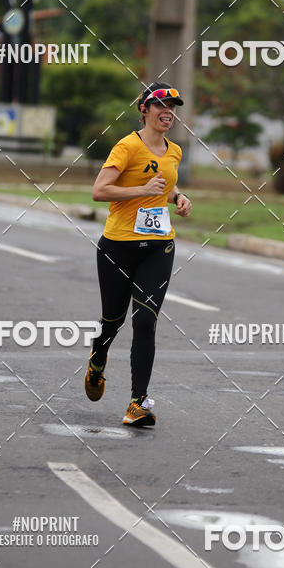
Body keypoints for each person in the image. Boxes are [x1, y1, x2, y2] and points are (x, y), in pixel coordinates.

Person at [86, 83, 192, 427]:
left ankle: (137, 403)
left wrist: (178, 198)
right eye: (161, 105)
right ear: (144, 109)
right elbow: (99, 191)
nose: (169, 112)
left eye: (173, 107)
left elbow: (166, 181)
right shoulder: (127, 146)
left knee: (145, 321)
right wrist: (140, 191)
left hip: (159, 245)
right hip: (118, 246)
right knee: (113, 322)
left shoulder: (173, 150)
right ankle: (98, 359)